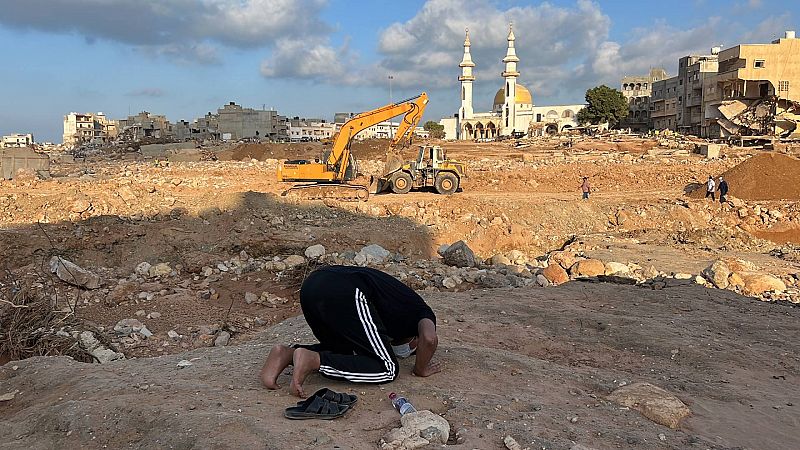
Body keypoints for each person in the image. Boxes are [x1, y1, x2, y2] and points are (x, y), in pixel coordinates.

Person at [260, 265, 440, 398]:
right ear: (415, 340)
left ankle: (286, 354)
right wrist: (420, 368)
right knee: (387, 368)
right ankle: (314, 360)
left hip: (312, 284)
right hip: (347, 291)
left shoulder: (395, 310)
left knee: (345, 351)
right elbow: (429, 338)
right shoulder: (421, 311)